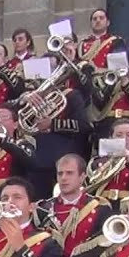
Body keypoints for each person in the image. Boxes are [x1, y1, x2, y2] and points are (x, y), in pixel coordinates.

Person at [22, 60, 90, 200]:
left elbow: (83, 126)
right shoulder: (32, 97)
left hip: (62, 156)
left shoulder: (72, 95)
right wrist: (23, 98)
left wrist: (52, 124)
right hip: (39, 160)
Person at [86, 118, 129, 213]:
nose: (124, 139)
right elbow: (90, 184)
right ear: (111, 138)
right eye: (119, 135)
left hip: (128, 207)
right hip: (103, 205)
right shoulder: (98, 161)